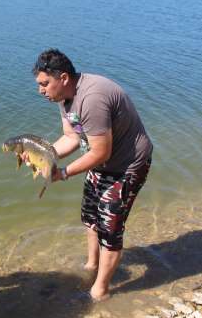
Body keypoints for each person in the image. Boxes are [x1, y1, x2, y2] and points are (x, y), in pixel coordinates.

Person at [32, 49, 153, 301]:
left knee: (110, 227)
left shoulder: (92, 98)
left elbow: (100, 152)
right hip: (101, 163)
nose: (41, 90)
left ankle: (100, 290)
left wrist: (63, 173)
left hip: (127, 166)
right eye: (39, 85)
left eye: (45, 84)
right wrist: (45, 157)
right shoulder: (64, 97)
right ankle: (91, 265)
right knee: (90, 217)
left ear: (63, 77)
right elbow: (71, 137)